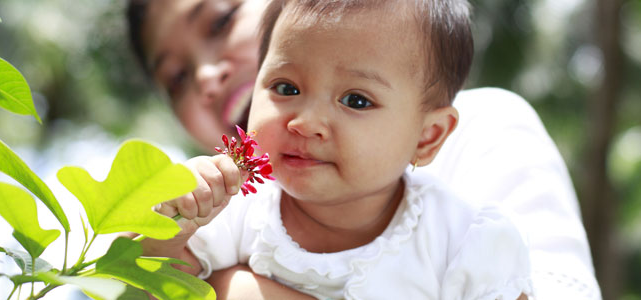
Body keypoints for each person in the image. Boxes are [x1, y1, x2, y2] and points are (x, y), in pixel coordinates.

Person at [127, 0, 602, 299]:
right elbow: (163, 281)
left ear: (428, 136)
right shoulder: (237, 208)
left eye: (356, 100)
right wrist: (169, 227)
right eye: (286, 87)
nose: (305, 120)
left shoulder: (462, 239)